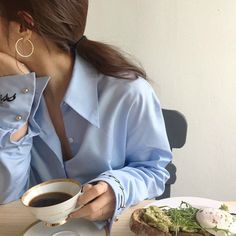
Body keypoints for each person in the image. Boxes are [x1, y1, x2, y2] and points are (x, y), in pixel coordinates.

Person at [0, 0, 172, 228]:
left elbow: (154, 171)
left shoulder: (129, 92)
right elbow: (8, 195)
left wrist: (117, 188)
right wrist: (14, 99)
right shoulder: (9, 94)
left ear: (23, 25)